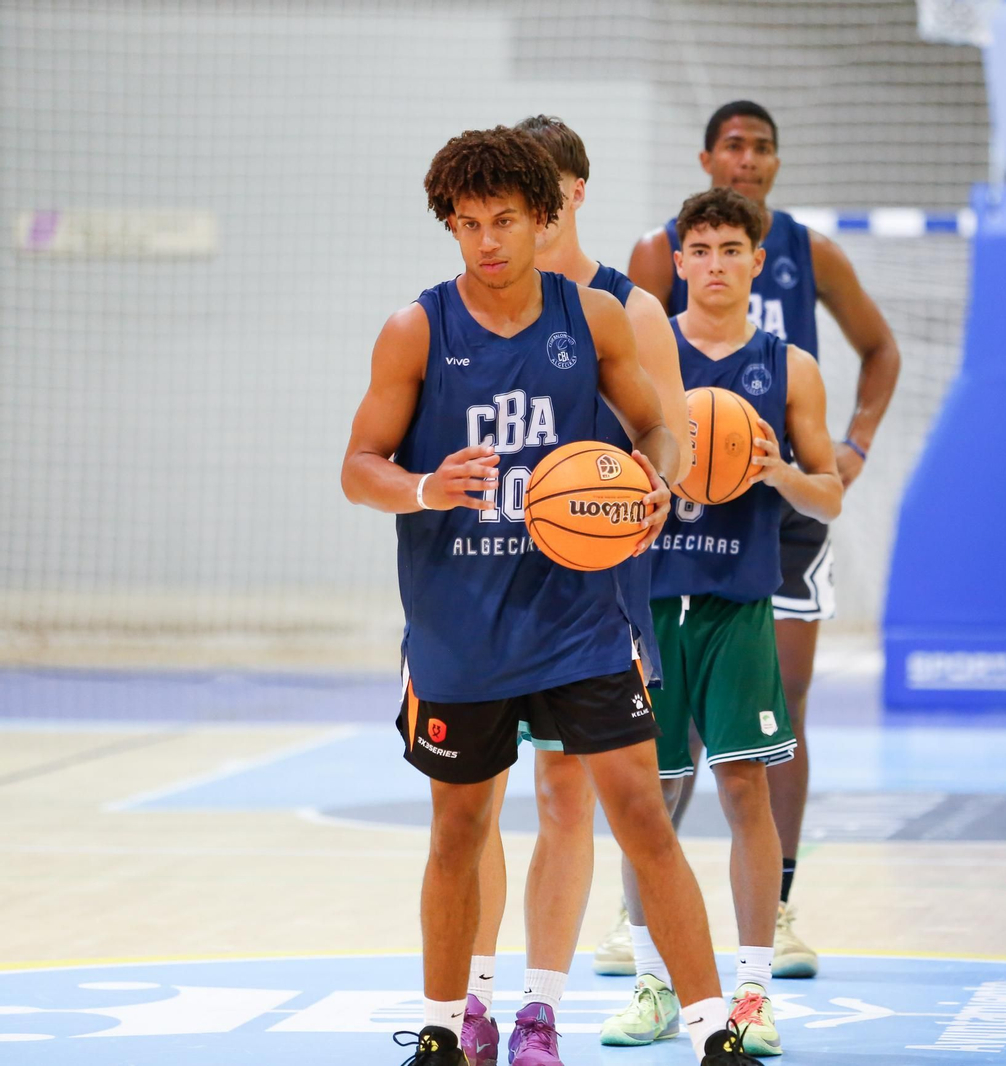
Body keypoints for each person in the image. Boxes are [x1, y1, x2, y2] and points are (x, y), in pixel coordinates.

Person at [341, 125, 758, 1066]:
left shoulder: (594, 318)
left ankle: (713, 1034)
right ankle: (445, 1031)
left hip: (579, 617)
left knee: (642, 817)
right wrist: (424, 487)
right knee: (459, 829)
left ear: (543, 217)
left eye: (504, 220)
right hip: (460, 626)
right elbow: (358, 466)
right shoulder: (417, 329)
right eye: (468, 223)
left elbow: (656, 426)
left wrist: (653, 478)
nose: (486, 240)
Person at [618, 98, 899, 980]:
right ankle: (644, 926)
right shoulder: (650, 292)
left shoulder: (806, 270)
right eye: (733, 146)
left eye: (762, 147)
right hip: (668, 537)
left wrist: (848, 450)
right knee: (662, 756)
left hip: (773, 518)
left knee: (773, 723)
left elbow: (880, 351)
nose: (747, 159)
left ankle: (773, 910)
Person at [457, 114, 691, 1066]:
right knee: (470, 806)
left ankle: (539, 1012)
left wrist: (643, 491)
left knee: (565, 798)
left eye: (538, 193)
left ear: (572, 194)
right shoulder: (459, 310)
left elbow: (670, 448)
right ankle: (470, 1003)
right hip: (476, 588)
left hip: (587, 593)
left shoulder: (627, 311)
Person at [601, 187, 842, 1055]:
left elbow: (829, 495)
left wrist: (778, 473)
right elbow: (598, 472)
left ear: (756, 260)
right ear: (677, 261)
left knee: (743, 789)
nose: (713, 265)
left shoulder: (790, 367)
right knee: (650, 798)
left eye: (730, 249)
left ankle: (751, 995)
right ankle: (653, 983)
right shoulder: (638, 355)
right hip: (650, 605)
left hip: (738, 608)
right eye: (698, 250)